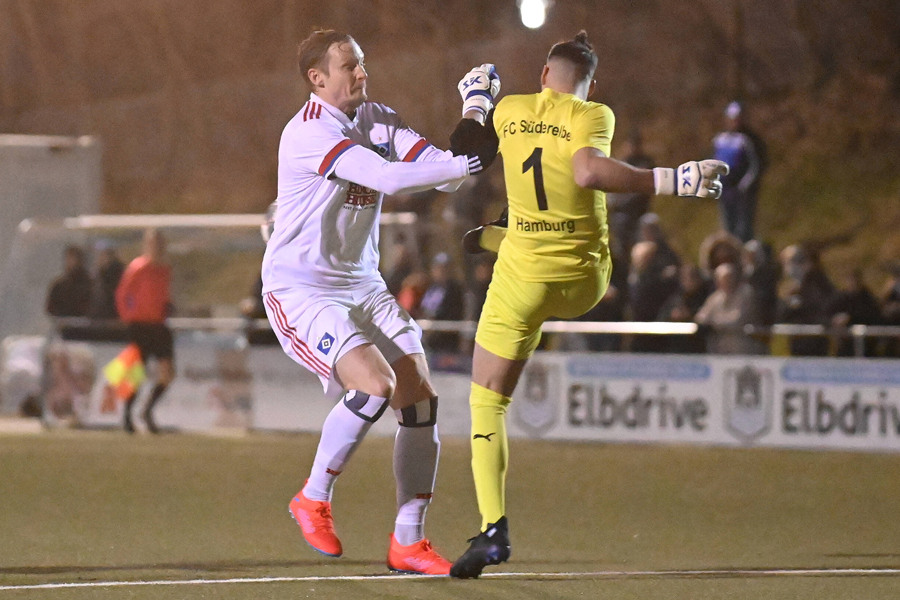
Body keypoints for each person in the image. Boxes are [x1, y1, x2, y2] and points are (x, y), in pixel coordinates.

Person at [448, 31, 727, 578]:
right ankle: (499, 235)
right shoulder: (591, 112)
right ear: (590, 82)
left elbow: (467, 152)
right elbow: (587, 171)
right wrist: (675, 179)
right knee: (530, 241)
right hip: (582, 279)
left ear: (543, 75)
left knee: (487, 405)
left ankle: (492, 529)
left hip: (520, 279)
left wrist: (474, 103)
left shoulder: (509, 108)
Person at [260, 29, 496, 575]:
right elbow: (390, 177)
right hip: (301, 288)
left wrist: (475, 109)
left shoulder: (378, 118)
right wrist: (464, 164)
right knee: (375, 386)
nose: (361, 73)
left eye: (362, 63)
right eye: (349, 66)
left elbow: (443, 170)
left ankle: (408, 542)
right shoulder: (307, 133)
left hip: (362, 284)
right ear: (318, 79)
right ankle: (312, 497)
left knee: (419, 398)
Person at [115, 229, 174, 434]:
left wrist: (167, 307)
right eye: (153, 243)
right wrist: (128, 317)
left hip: (158, 326)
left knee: (167, 372)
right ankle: (127, 416)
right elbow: (123, 294)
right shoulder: (138, 268)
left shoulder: (164, 270)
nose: (157, 247)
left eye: (160, 243)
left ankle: (147, 410)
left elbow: (163, 296)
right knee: (135, 373)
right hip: (140, 326)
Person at [711, 101, 767, 242]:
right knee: (727, 227)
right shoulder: (720, 139)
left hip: (743, 192)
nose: (735, 122)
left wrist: (746, 184)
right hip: (724, 191)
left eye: (738, 118)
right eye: (733, 118)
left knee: (744, 229)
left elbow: (756, 165)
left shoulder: (748, 139)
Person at [695, 262, 766, 355]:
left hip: (743, 347)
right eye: (723, 279)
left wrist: (714, 322)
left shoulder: (746, 293)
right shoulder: (716, 297)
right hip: (720, 347)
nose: (727, 281)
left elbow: (737, 320)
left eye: (729, 277)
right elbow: (701, 318)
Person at [419, 253, 465, 353]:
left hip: (446, 341)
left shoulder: (455, 290)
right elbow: (424, 309)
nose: (441, 271)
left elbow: (453, 313)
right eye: (438, 268)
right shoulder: (431, 289)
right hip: (428, 341)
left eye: (445, 268)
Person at [45, 245, 92, 318]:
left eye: (72, 259)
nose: (69, 262)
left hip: (85, 326)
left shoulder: (90, 284)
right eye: (67, 259)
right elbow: (51, 308)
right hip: (65, 326)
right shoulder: (59, 286)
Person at [89, 242, 125, 320]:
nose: (99, 259)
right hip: (100, 319)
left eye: (102, 255)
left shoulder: (117, 276)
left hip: (112, 320)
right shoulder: (98, 276)